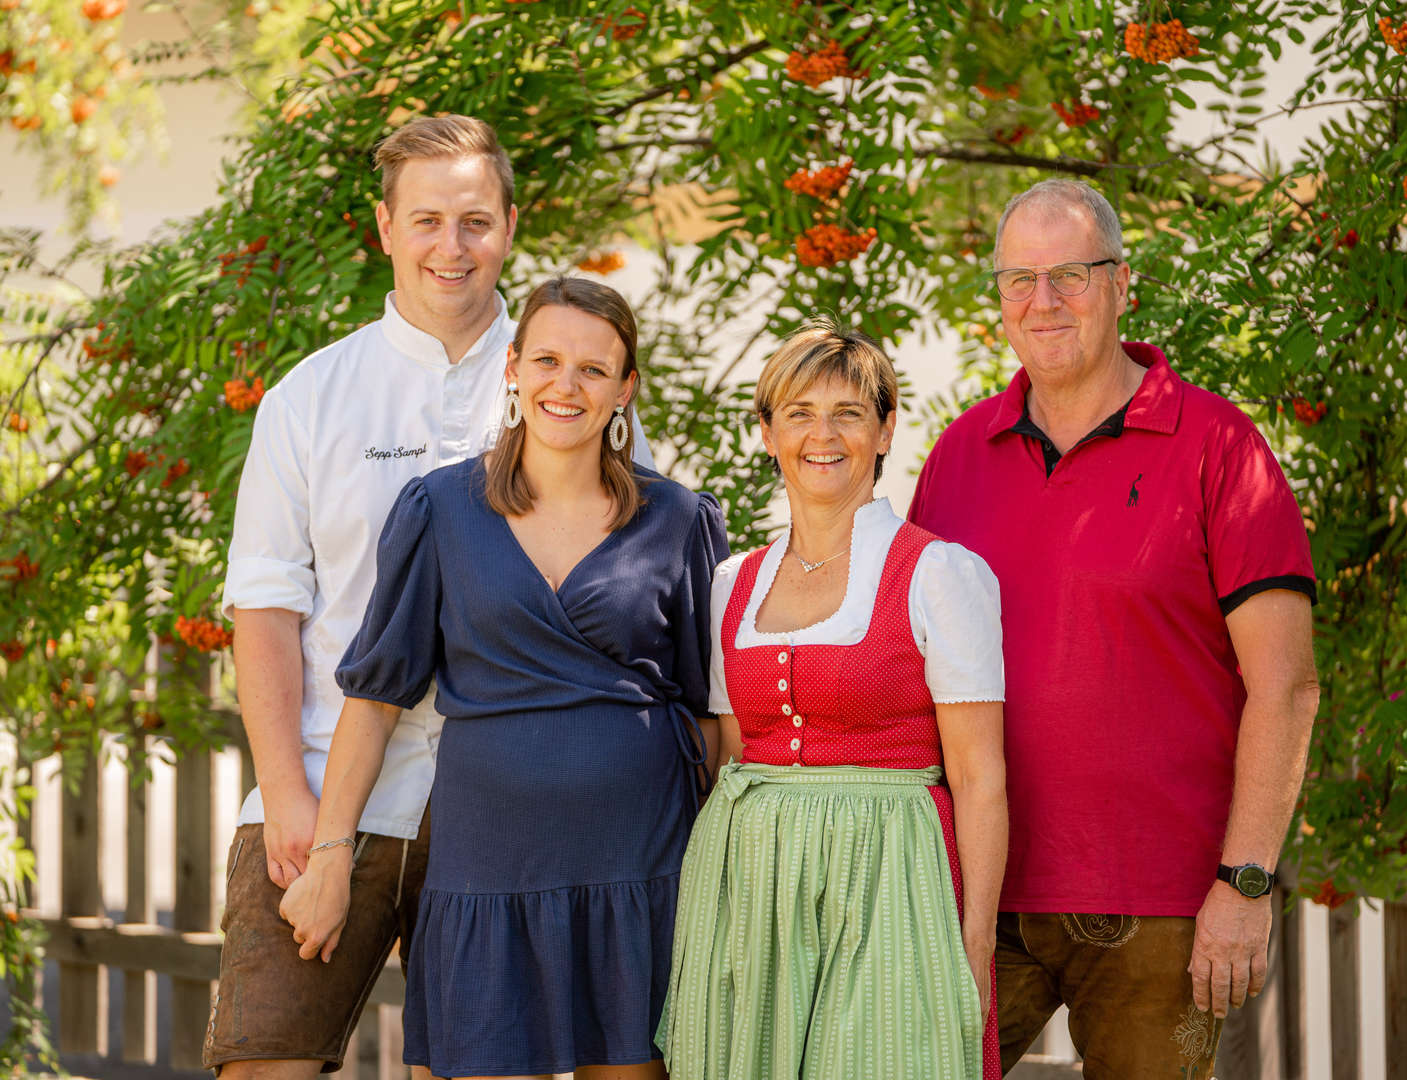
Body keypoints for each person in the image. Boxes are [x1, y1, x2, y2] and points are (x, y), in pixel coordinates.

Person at [208, 116, 652, 1077]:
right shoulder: (310, 399)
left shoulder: (567, 386)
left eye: (475, 221)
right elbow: (265, 608)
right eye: (427, 221)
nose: (451, 247)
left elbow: (631, 595)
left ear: (509, 225)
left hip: (509, 802)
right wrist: (287, 793)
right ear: (384, 228)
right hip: (333, 785)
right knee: (262, 1057)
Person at [909, 178, 1320, 1077]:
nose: (1043, 302)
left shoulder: (1220, 447)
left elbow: (1285, 686)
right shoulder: (958, 455)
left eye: (1071, 275)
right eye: (1020, 279)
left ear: (1123, 283)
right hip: (982, 892)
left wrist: (1245, 881)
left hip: (1160, 905)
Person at [279, 276, 728, 1080]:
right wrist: (328, 858)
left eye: (594, 369)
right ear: (513, 369)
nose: (568, 384)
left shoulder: (680, 521)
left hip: (643, 868)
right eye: (548, 359)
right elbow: (377, 698)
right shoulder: (441, 510)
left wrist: (726, 871)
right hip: (486, 866)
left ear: (626, 387)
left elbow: (712, 715)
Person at [656, 322, 1008, 1080]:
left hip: (890, 872)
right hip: (750, 881)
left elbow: (980, 779)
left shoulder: (937, 574)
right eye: (799, 412)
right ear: (767, 432)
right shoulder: (732, 584)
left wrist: (972, 946)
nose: (824, 434)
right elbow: (728, 753)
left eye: (849, 412)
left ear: (885, 431)